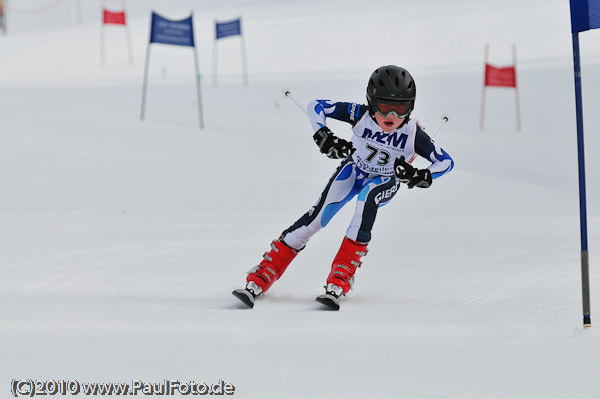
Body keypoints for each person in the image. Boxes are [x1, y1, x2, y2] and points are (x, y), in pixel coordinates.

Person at [233, 65, 454, 309]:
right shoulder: (360, 114)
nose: (392, 115)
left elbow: (445, 161)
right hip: (354, 170)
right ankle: (265, 272)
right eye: (384, 106)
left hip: (384, 180)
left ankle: (341, 275)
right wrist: (323, 134)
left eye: (401, 108)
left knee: (367, 200)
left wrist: (421, 175)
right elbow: (316, 106)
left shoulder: (413, 133)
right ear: (371, 102)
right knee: (316, 219)